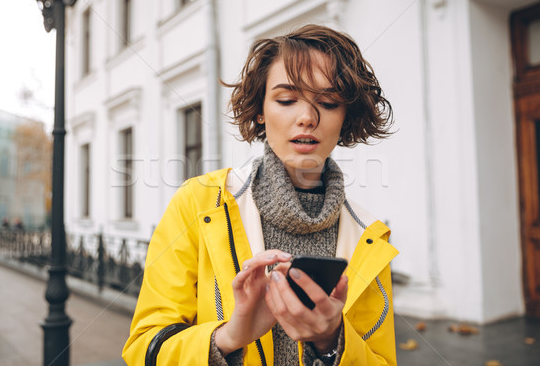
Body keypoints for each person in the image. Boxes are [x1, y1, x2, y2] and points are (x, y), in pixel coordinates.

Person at [123, 24, 398, 366]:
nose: (307, 118)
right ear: (259, 110)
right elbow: (143, 348)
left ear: (345, 118)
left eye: (327, 102)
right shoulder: (198, 203)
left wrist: (331, 344)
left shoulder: (369, 237)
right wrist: (230, 337)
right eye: (286, 99)